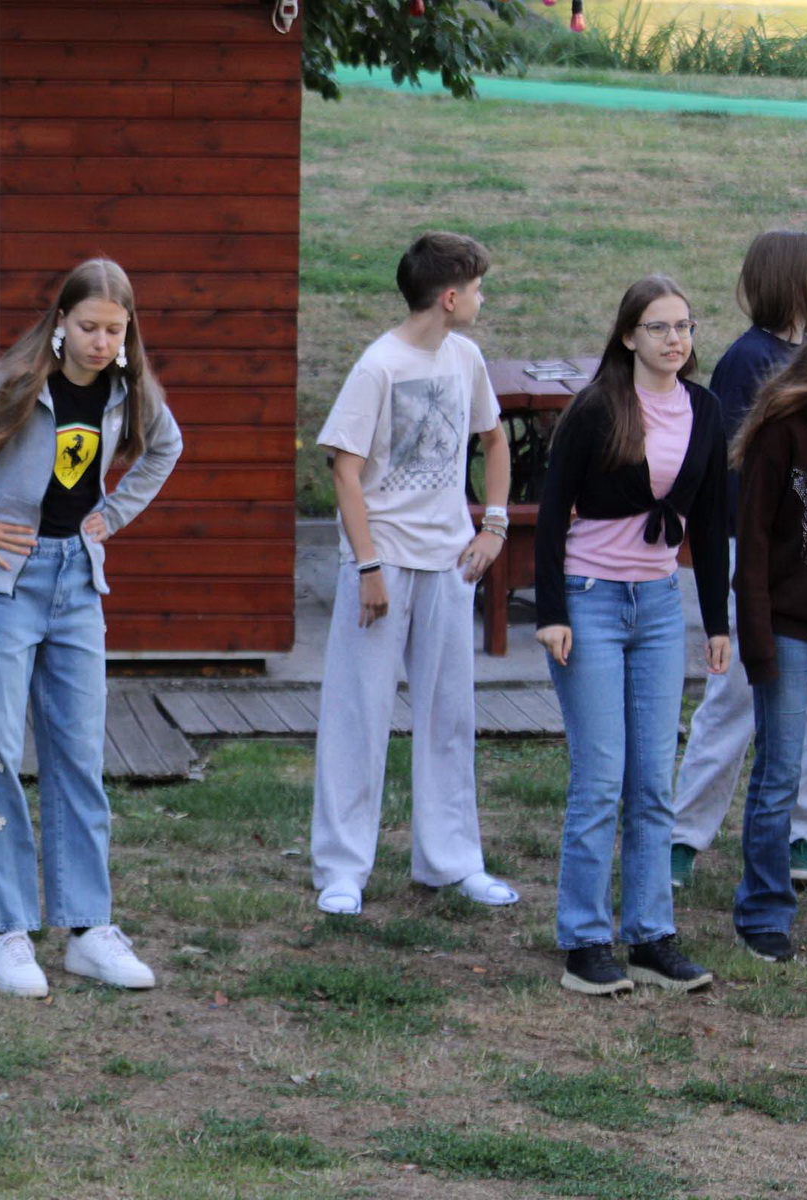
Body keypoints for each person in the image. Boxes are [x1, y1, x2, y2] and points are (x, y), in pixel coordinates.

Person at [0, 258, 182, 998]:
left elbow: (166, 448)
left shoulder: (129, 390)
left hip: (79, 584)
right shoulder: (11, 386)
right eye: (88, 327)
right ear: (60, 324)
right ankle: (9, 930)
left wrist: (113, 515)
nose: (101, 343)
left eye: (115, 331)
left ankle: (88, 930)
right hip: (4, 588)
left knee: (79, 754)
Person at [307, 231, 518, 919]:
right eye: (478, 289)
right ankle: (342, 869)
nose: (483, 299)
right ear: (450, 297)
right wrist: (369, 565)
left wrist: (493, 526)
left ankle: (452, 861)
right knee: (358, 715)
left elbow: (493, 441)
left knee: (449, 715)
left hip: (449, 564)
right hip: (383, 564)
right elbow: (344, 472)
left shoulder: (466, 358)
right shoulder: (379, 366)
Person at [536, 275, 730, 997]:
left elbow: (710, 520)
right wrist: (551, 613)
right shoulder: (598, 407)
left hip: (657, 608)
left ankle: (651, 935)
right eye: (658, 327)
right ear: (628, 337)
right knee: (600, 779)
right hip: (589, 602)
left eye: (684, 326)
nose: (675, 339)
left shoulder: (705, 409)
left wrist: (716, 622)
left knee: (653, 781)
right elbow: (551, 512)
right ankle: (586, 942)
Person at [670, 231, 807, 892]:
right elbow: (735, 473)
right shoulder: (749, 359)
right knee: (735, 697)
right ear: (785, 277)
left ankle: (801, 833)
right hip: (751, 555)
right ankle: (682, 836)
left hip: (806, 563)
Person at [728, 335, 807, 962]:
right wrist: (758, 642)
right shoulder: (781, 432)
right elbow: (752, 546)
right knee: (780, 771)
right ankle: (763, 910)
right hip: (786, 625)